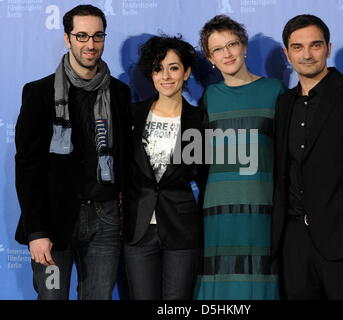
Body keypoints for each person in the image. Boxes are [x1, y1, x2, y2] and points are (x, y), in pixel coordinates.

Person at [14, 5, 131, 300]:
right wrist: (36, 231)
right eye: (82, 36)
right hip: (53, 221)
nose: (90, 45)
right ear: (67, 39)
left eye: (97, 36)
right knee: (52, 296)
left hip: (105, 220)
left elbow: (125, 159)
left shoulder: (119, 93)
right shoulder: (39, 92)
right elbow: (28, 168)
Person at [273, 14, 343, 299]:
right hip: (294, 243)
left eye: (315, 45)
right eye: (297, 47)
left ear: (328, 47)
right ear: (287, 54)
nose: (307, 54)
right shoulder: (284, 102)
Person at [194, 15, 285, 300]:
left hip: (262, 207)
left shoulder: (274, 91)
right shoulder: (209, 96)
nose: (227, 53)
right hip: (217, 210)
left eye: (232, 44)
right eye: (218, 49)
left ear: (244, 47)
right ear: (210, 57)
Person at [123, 35, 207, 300]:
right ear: (151, 73)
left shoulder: (199, 120)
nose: (166, 76)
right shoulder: (132, 114)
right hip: (138, 226)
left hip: (181, 228)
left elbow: (205, 176)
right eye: (158, 69)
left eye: (173, 67)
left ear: (187, 72)